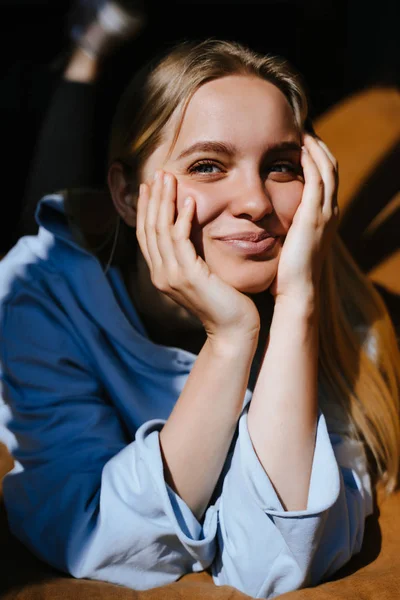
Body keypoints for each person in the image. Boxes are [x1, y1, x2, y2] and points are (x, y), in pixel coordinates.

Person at [0, 36, 399, 600]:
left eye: (282, 166)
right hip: (84, 248)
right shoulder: (37, 292)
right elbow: (92, 534)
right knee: (42, 202)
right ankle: (87, 46)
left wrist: (291, 307)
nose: (257, 202)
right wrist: (232, 340)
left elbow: (275, 561)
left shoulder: (337, 316)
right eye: (208, 166)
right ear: (132, 194)